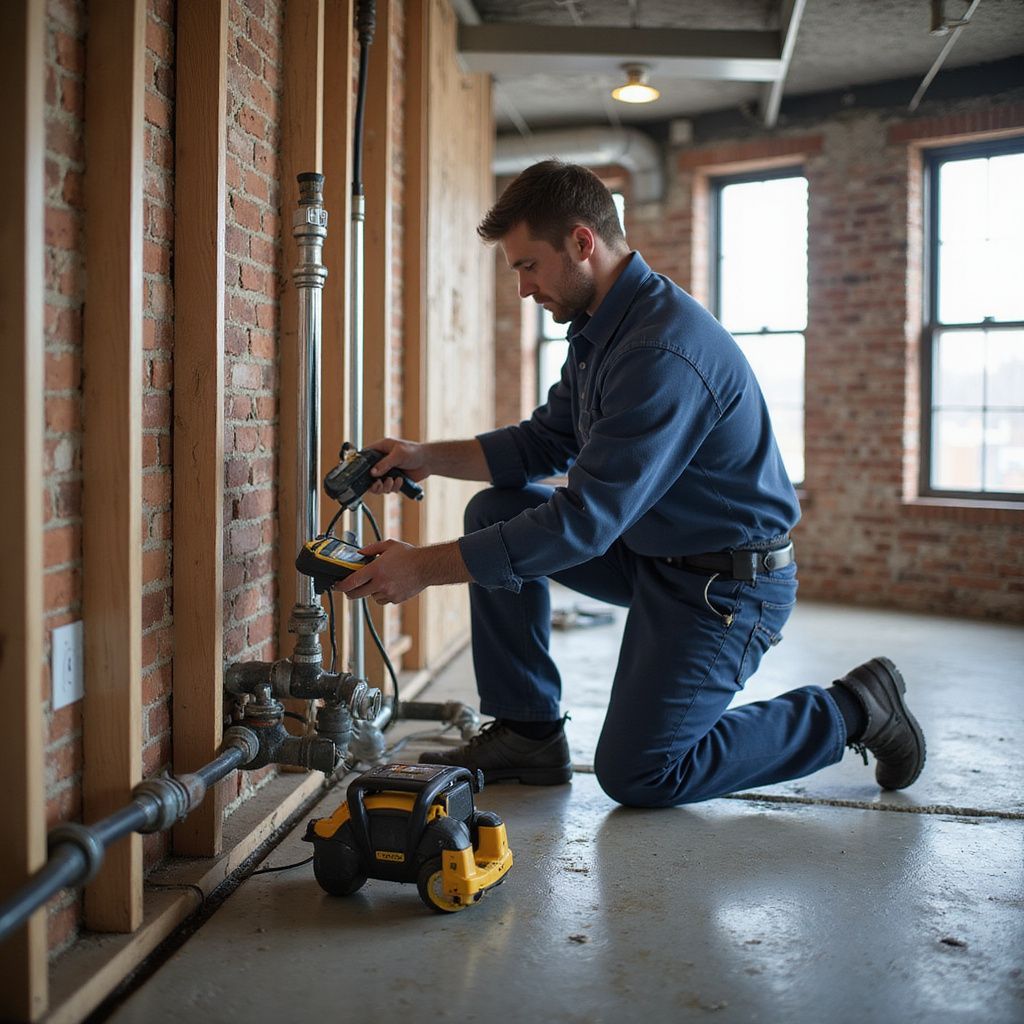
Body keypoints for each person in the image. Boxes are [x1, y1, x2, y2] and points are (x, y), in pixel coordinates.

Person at [336, 159, 925, 807]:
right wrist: (423, 456)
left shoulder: (658, 350)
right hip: (652, 553)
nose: (524, 289)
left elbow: (583, 523)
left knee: (642, 773)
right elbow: (543, 442)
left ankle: (855, 710)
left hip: (724, 584)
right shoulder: (600, 328)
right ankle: (528, 733)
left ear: (582, 243)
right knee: (496, 510)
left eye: (528, 266)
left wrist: (421, 567)